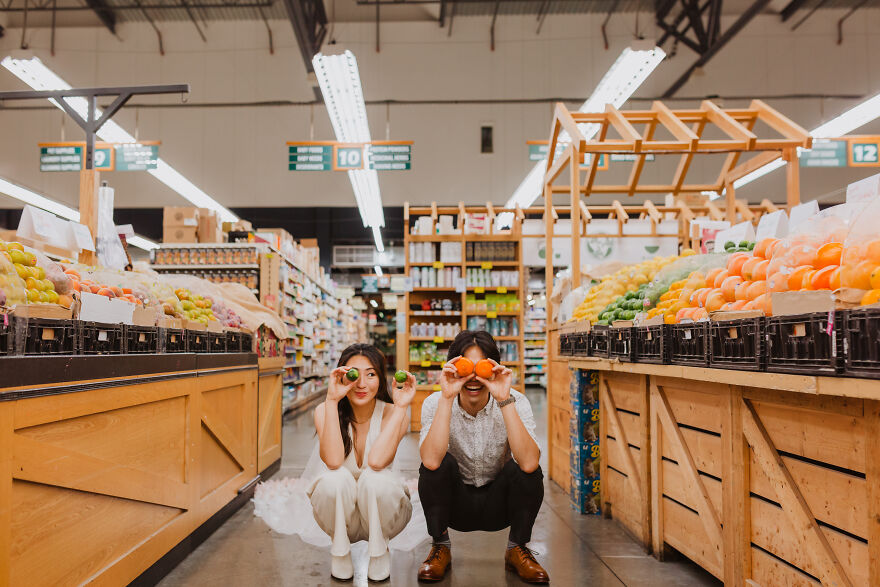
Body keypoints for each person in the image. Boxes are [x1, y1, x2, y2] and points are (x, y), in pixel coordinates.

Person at [416, 330, 550, 584]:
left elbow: (530, 462)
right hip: (455, 503)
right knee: (436, 465)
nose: (474, 378)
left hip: (499, 502)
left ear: (494, 369)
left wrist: (504, 399)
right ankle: (440, 545)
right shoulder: (435, 402)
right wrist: (447, 397)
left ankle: (517, 548)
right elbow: (431, 461)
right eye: (466, 369)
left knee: (526, 469)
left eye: (482, 369)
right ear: (452, 368)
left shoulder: (516, 400)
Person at [309, 343, 416, 582]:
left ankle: (379, 552)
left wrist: (401, 406)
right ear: (341, 376)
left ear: (381, 378)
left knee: (374, 478)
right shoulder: (324, 410)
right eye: (353, 375)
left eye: (371, 374)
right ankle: (340, 552)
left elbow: (377, 462)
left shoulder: (393, 412)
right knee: (334, 478)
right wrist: (331, 400)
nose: (361, 384)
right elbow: (333, 461)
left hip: (384, 514)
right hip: (341, 517)